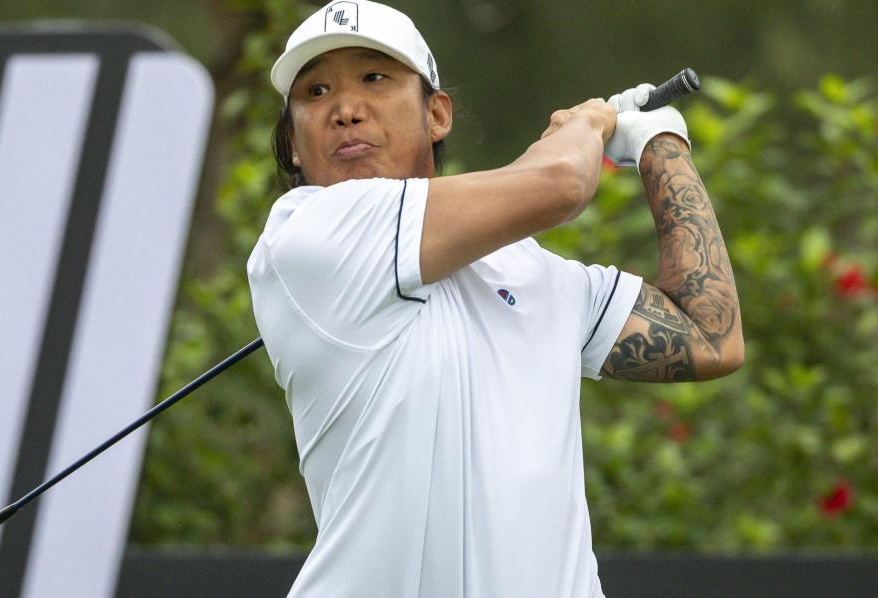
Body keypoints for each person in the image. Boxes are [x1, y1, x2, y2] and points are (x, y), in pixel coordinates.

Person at [247, 1, 744, 596]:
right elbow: (559, 183)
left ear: (437, 114)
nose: (345, 109)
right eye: (316, 91)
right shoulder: (306, 234)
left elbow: (711, 337)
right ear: (294, 146)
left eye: (374, 78)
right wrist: (587, 125)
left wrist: (662, 143)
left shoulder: (533, 271)